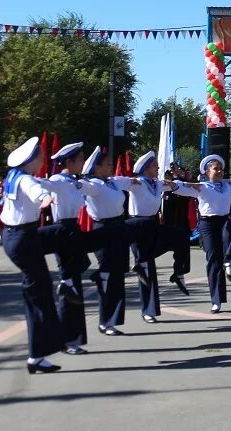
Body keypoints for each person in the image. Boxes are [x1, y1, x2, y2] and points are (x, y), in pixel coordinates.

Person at [0, 137, 73, 373]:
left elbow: (37, 184)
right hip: (23, 239)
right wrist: (46, 198)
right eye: (40, 156)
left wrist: (50, 189)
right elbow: (37, 190)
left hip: (18, 237)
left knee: (64, 235)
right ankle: (38, 354)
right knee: (40, 294)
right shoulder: (27, 182)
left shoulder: (14, 177)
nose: (43, 159)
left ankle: (40, 352)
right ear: (31, 160)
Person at [111, 151, 192, 323]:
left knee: (181, 236)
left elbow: (180, 186)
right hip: (137, 226)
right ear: (147, 168)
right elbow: (117, 181)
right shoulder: (137, 183)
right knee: (147, 269)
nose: (158, 168)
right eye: (155, 165)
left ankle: (178, 272)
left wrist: (199, 187)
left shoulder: (157, 184)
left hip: (152, 225)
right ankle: (148, 310)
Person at [172, 155, 231, 313]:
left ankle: (228, 260)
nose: (219, 171)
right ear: (206, 172)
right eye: (215, 169)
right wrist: (168, 183)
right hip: (207, 224)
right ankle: (216, 300)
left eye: (221, 169)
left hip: (224, 221)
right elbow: (181, 186)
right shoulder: (201, 187)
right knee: (213, 259)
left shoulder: (228, 185)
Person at [41, 142, 95, 354]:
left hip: (73, 229)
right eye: (80, 159)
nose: (83, 163)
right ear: (70, 162)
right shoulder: (58, 180)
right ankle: (65, 340)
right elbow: (45, 186)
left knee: (75, 284)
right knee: (69, 285)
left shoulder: (73, 181)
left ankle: (73, 339)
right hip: (63, 230)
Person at [78, 146, 131, 335]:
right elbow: (79, 186)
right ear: (96, 167)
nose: (110, 167)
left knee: (118, 274)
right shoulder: (94, 184)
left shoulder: (113, 182)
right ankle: (104, 321)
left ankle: (113, 320)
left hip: (119, 228)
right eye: (107, 164)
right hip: (103, 229)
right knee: (108, 273)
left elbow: (135, 181)